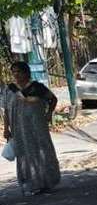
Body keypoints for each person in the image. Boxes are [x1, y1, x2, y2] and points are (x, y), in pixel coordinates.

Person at [2, 61, 60, 195]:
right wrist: (6, 129)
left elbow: (53, 99)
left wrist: (49, 114)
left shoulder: (37, 88)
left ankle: (47, 182)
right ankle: (30, 184)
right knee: (25, 154)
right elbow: (6, 110)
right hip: (19, 128)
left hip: (38, 126)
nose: (16, 74)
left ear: (26, 72)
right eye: (14, 72)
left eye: (19, 71)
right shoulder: (9, 89)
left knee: (42, 151)